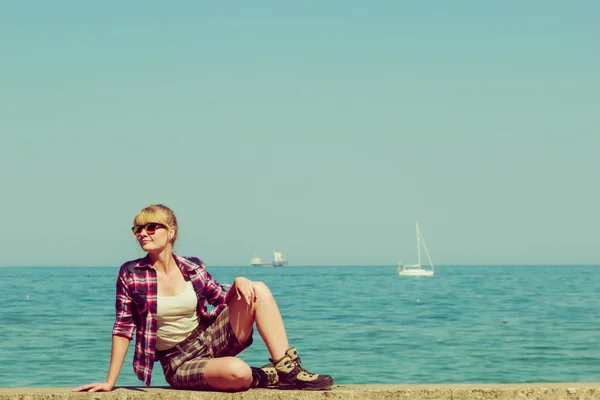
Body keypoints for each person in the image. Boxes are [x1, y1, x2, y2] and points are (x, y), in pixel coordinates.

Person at [73, 204, 333, 392]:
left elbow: (222, 298)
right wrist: (110, 382)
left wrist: (239, 282)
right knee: (238, 372)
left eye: (151, 227)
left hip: (208, 338)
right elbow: (123, 326)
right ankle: (264, 376)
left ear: (171, 232)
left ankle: (287, 369)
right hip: (179, 361)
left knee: (258, 288)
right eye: (137, 229)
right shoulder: (131, 273)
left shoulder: (191, 266)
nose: (143, 233)